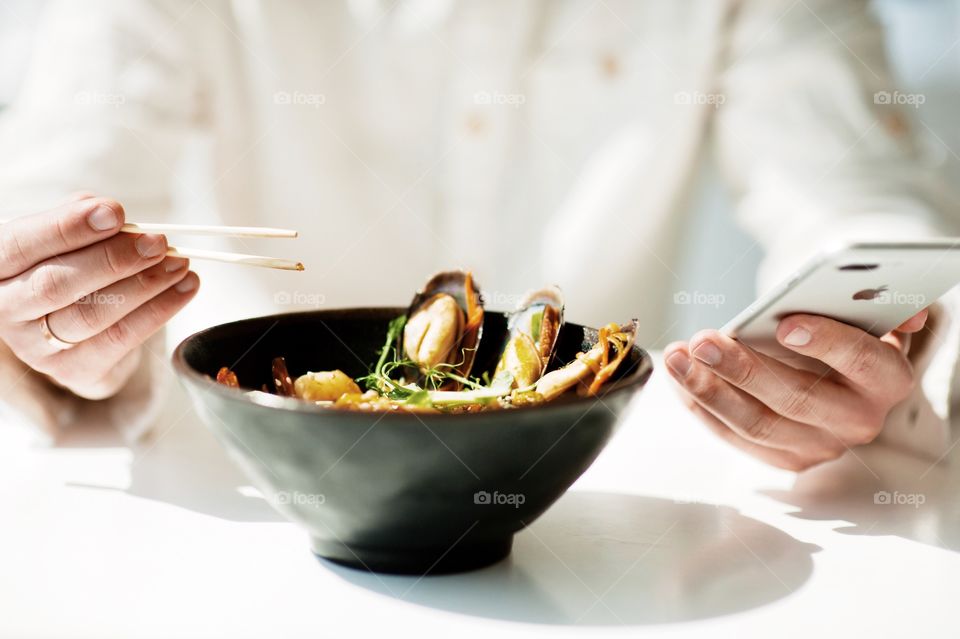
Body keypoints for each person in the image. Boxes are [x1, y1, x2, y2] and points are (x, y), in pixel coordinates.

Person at [0, 0, 956, 468]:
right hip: (237, 480)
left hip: (600, 494)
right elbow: (54, 200)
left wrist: (872, 360)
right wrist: (60, 326)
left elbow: (860, 205)